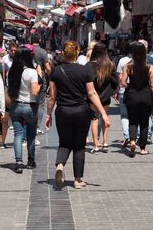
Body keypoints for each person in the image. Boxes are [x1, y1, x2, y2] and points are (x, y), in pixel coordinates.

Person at [46, 41, 110, 189]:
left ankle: (60, 165)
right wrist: (103, 114)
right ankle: (78, 179)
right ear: (76, 53)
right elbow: (92, 93)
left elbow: (52, 97)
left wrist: (48, 115)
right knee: (79, 146)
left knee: (64, 142)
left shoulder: (56, 71)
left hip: (62, 111)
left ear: (63, 52)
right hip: (81, 111)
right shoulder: (85, 70)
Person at [121, 42, 153, 157]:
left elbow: (123, 82)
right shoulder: (149, 67)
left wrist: (128, 86)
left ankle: (132, 141)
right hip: (146, 96)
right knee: (144, 122)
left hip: (132, 96)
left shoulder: (128, 66)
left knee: (132, 121)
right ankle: (142, 148)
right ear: (145, 53)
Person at [8, 46, 41, 173]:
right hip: (29, 106)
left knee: (18, 134)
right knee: (31, 135)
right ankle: (31, 161)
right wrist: (40, 84)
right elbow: (34, 91)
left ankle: (18, 161)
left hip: (15, 105)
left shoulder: (12, 71)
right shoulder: (31, 72)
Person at [86, 42, 119, 153]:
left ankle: (96, 145)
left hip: (93, 97)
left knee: (94, 120)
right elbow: (115, 80)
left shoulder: (89, 65)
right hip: (105, 97)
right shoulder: (109, 64)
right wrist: (112, 91)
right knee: (105, 118)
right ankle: (105, 143)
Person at [31, 34, 51, 137]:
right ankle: (38, 127)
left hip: (28, 78)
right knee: (41, 103)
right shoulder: (43, 52)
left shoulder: (27, 50)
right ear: (39, 40)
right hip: (40, 79)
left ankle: (30, 126)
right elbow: (47, 68)